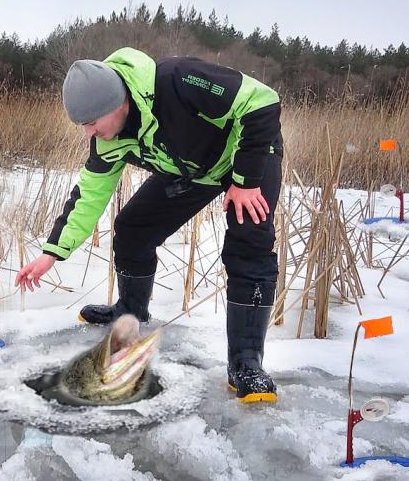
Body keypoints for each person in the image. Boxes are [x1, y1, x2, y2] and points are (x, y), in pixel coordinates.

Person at [15, 48, 283, 404]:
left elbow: (262, 102)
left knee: (247, 245)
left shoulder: (178, 79)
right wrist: (51, 254)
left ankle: (246, 363)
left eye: (92, 122)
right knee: (132, 229)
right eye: (82, 125)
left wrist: (246, 179)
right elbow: (89, 196)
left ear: (119, 102)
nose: (87, 134)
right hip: (192, 171)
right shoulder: (107, 142)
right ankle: (130, 310)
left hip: (247, 156)